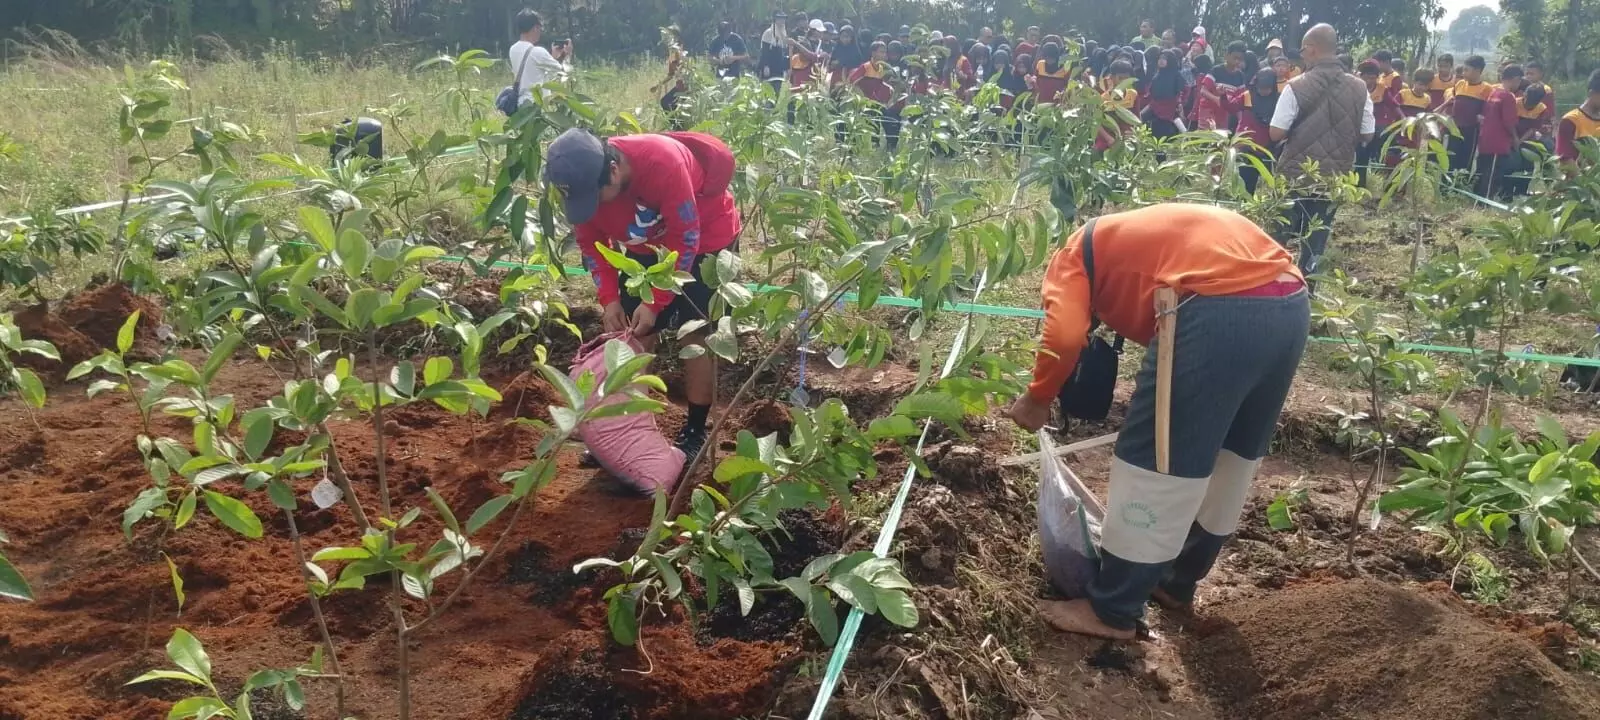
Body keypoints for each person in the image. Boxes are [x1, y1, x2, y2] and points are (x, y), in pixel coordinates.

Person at [1009, 203, 1309, 641]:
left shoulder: (1073, 254)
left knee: (1153, 458)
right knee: (1232, 455)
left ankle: (1112, 609)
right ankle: (1176, 581)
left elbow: (1065, 333)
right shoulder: (1139, 236)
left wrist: (1037, 399)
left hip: (1214, 310)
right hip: (1289, 303)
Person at [543, 128, 740, 462]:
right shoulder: (585, 190)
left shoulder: (662, 162)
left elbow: (685, 237)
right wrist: (610, 299)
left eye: (595, 196)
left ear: (615, 170)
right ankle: (623, 429)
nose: (591, 207)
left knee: (694, 334)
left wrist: (655, 302)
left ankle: (695, 431)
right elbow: (592, 245)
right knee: (634, 333)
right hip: (647, 243)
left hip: (705, 239)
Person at [1269, 23, 1374, 279]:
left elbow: (1276, 132)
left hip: (1295, 175)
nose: (1302, 55)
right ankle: (1308, 290)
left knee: (1279, 236)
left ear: (1313, 50)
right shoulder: (1361, 88)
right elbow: (1367, 134)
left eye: (1304, 50)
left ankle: (1270, 286)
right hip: (1333, 177)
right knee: (1317, 238)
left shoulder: (1296, 86)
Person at [1225, 67, 1282, 193]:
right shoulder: (1247, 96)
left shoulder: (1279, 99)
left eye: (1267, 88)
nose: (1263, 91)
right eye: (1260, 88)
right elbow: (1231, 107)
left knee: (1272, 184)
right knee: (1246, 182)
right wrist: (1223, 96)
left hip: (1269, 147)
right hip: (1247, 145)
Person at [1474, 65, 1523, 199]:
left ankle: (1476, 199)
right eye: (1519, 81)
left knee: (1482, 170)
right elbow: (1509, 121)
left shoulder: (1493, 92)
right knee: (1493, 174)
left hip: (1485, 139)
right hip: (1499, 142)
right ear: (1515, 79)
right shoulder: (1508, 96)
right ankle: (1485, 202)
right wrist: (1515, 138)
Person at [509, 9, 571, 106]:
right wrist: (567, 55)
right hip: (536, 104)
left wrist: (553, 57)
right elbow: (563, 72)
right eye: (539, 28)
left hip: (521, 103)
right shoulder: (538, 51)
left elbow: (535, 72)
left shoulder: (513, 49)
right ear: (535, 28)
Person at [1444, 55, 1492, 177]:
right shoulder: (1460, 84)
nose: (1463, 73)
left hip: (1471, 129)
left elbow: (1488, 110)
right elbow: (1453, 100)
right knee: (1450, 156)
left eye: (1466, 70)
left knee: (1466, 158)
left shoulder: (1486, 88)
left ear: (1477, 71)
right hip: (1455, 127)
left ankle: (1461, 186)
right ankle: (1446, 185)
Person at [1356, 60, 1399, 185]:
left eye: (1373, 77)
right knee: (1361, 158)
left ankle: (1383, 184)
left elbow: (1394, 106)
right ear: (1361, 76)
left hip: (1378, 128)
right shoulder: (1357, 88)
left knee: (1381, 156)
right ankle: (1359, 184)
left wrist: (1402, 120)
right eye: (1367, 77)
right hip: (1361, 128)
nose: (1370, 80)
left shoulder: (1382, 89)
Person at [1556, 69, 1600, 168]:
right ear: (1591, 93)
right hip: (1581, 181)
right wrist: (1583, 182)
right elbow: (1565, 159)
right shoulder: (1571, 120)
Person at [1142, 48, 1187, 139]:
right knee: (1140, 118)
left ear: (1170, 60)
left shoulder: (1177, 75)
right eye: (1160, 58)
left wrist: (1179, 106)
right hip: (1155, 105)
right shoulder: (1157, 75)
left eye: (1164, 58)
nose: (1161, 61)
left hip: (1170, 107)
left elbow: (1180, 92)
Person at [758, 12, 791, 92]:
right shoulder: (768, 32)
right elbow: (764, 51)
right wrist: (766, 66)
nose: (782, 21)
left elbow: (785, 51)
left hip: (780, 66)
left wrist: (787, 68)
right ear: (775, 20)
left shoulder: (784, 32)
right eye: (779, 18)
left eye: (783, 18)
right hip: (769, 66)